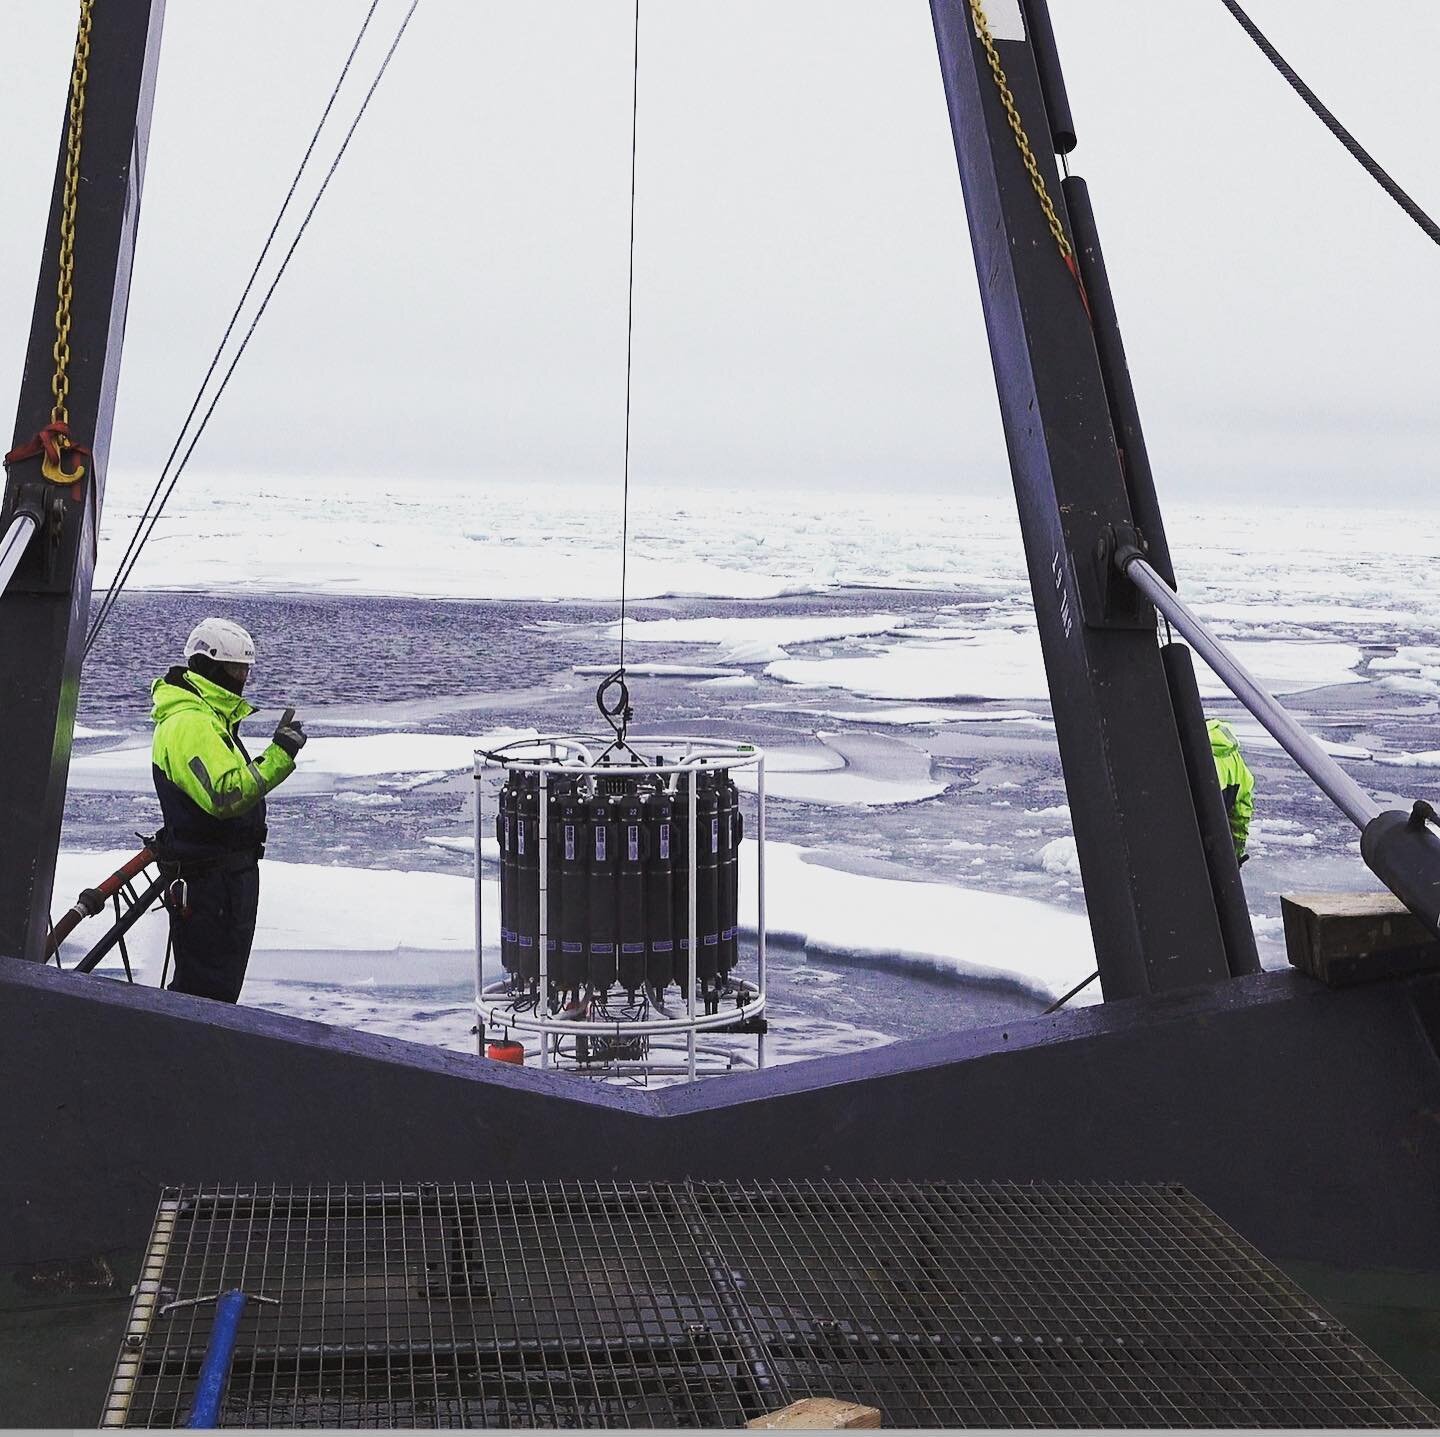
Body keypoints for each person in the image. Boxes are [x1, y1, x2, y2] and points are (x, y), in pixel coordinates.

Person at [149, 618, 307, 1002]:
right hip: (210, 885)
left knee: (215, 986)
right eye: (235, 669)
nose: (242, 679)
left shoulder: (210, 719)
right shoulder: (191, 724)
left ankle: (193, 1051)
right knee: (206, 990)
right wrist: (279, 756)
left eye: (246, 670)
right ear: (208, 667)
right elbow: (226, 795)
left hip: (223, 879)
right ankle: (190, 1055)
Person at [1207, 717, 1254, 866]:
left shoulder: (1180, 752)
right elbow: (1241, 813)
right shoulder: (1233, 757)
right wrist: (1235, 854)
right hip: (1211, 845)